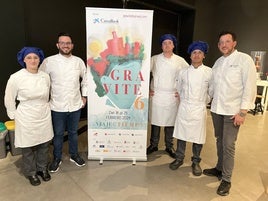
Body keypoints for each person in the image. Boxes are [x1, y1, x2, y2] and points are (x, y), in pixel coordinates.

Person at [203, 31, 256, 196]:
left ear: (234, 43)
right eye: (221, 42)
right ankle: (219, 168)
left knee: (228, 145)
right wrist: (204, 100)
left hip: (233, 112)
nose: (224, 45)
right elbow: (212, 86)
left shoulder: (244, 60)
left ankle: (226, 179)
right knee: (219, 141)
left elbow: (250, 86)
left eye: (227, 41)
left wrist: (243, 111)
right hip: (217, 109)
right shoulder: (218, 62)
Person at [4, 47, 53, 186]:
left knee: (44, 145)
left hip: (43, 113)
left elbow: (48, 93)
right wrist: (13, 115)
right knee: (28, 147)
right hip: (26, 115)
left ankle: (42, 169)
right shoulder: (16, 77)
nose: (33, 60)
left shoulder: (45, 76)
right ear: (23, 60)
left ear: (40, 59)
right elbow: (9, 98)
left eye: (35, 57)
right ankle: (31, 173)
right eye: (29, 58)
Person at [40, 32, 87, 172]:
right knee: (58, 133)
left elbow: (86, 79)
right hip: (57, 104)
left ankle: (74, 154)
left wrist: (84, 96)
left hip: (75, 103)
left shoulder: (78, 61)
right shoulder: (49, 61)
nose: (65, 45)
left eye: (68, 43)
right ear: (57, 45)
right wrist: (44, 99)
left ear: (72, 45)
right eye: (62, 43)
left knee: (73, 132)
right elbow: (41, 80)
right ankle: (56, 158)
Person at [169, 41, 212, 176]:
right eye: (194, 52)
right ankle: (179, 158)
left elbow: (212, 91)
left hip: (199, 107)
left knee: (197, 137)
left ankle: (196, 161)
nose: (197, 55)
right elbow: (179, 88)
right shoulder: (183, 72)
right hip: (185, 106)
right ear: (190, 55)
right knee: (182, 134)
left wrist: (203, 102)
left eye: (200, 52)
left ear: (204, 55)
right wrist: (184, 100)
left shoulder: (209, 72)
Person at [147, 34, 189, 158]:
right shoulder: (154, 59)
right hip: (157, 95)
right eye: (164, 43)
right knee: (155, 122)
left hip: (172, 96)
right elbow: (143, 73)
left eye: (169, 43)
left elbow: (188, 74)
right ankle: (153, 144)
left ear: (173, 45)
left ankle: (169, 146)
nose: (167, 45)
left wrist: (181, 90)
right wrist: (147, 89)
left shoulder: (180, 60)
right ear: (161, 46)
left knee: (170, 123)